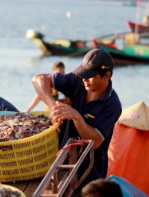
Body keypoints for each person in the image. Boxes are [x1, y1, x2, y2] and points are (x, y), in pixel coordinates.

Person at [31, 49, 122, 192]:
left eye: (90, 76)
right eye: (83, 74)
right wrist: (53, 105)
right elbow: (37, 79)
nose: (84, 79)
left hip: (90, 173)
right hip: (61, 164)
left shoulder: (112, 104)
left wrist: (77, 117)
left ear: (107, 75)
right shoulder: (78, 81)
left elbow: (96, 141)